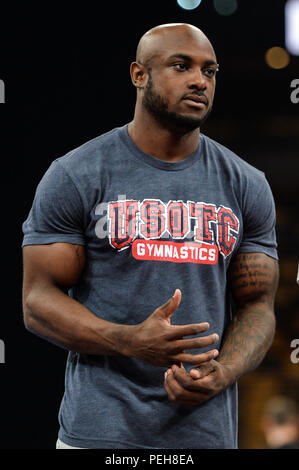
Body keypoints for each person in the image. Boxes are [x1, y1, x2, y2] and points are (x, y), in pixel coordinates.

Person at [22, 23, 279, 449]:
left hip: (204, 435)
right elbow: (36, 302)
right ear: (139, 75)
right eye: (182, 66)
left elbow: (259, 306)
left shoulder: (246, 184)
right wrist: (130, 341)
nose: (200, 80)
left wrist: (224, 371)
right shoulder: (76, 174)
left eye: (210, 71)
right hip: (99, 434)